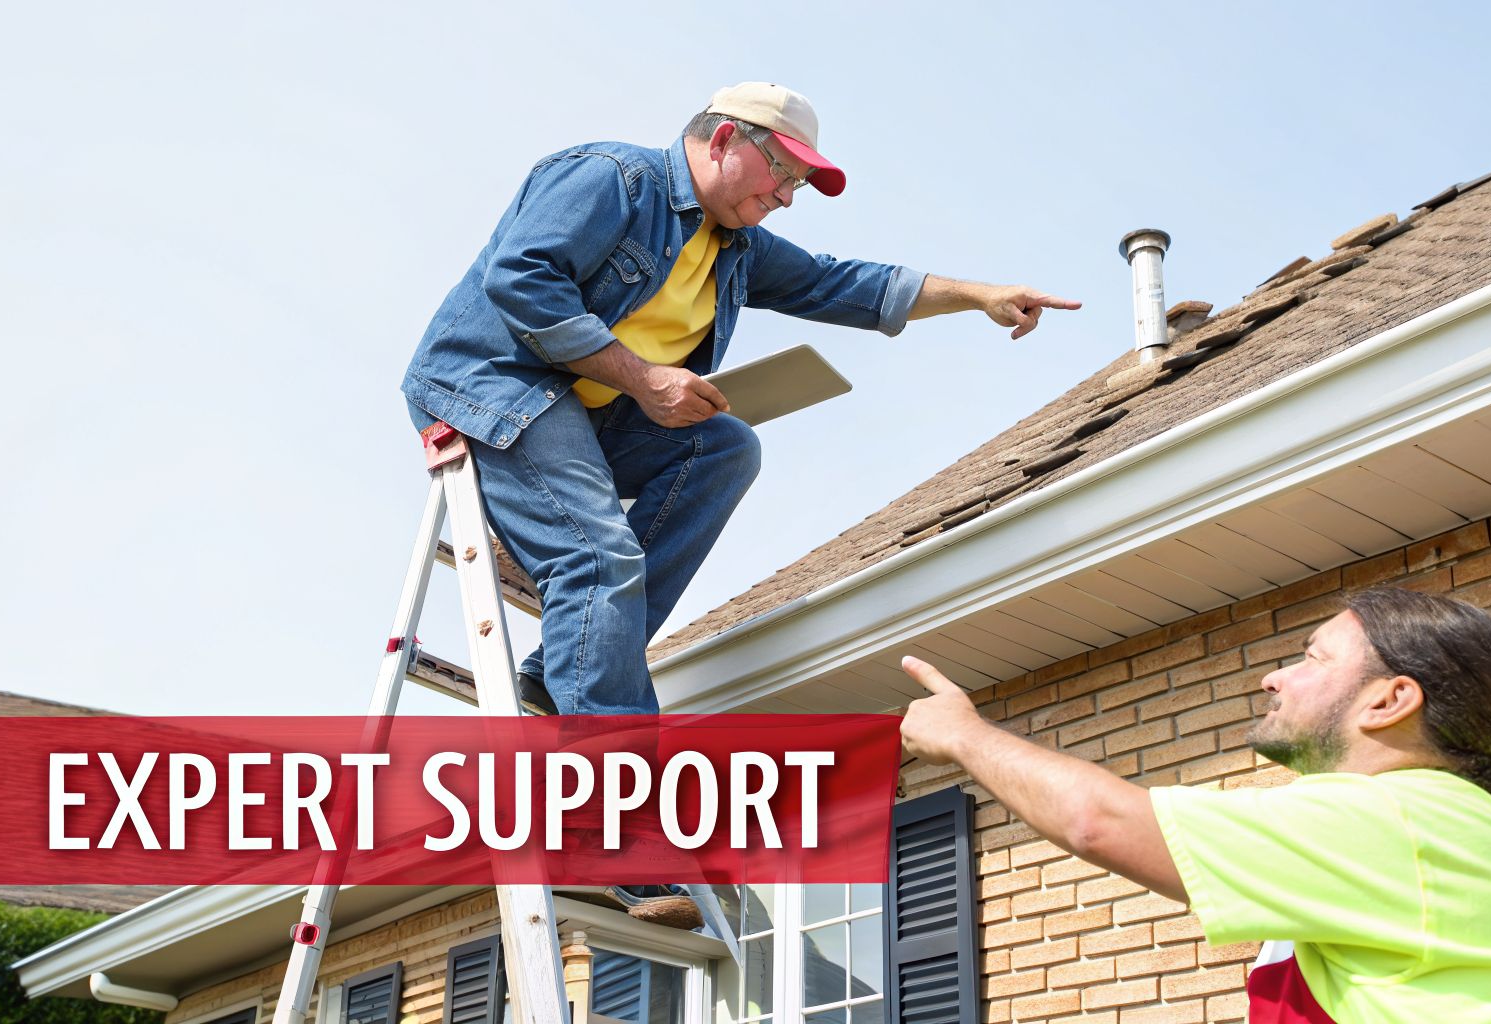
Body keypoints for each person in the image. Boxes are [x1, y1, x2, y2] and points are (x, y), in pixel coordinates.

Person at [404, 82, 1077, 927]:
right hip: (494, 384)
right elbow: (522, 280)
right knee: (599, 560)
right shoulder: (612, 179)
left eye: (798, 186)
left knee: (726, 446)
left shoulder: (736, 247)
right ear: (725, 139)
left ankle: (560, 666)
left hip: (593, 410)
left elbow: (843, 283)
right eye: (782, 174)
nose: (787, 197)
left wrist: (977, 295)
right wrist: (645, 379)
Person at [898, 587, 1491, 1023]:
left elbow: (1097, 821)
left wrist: (966, 737)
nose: (1274, 678)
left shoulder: (1399, 822)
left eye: (1312, 658)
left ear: (1389, 700)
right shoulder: (1449, 828)